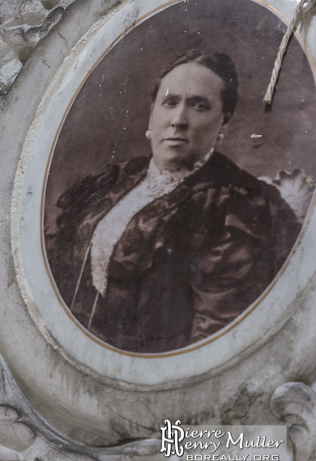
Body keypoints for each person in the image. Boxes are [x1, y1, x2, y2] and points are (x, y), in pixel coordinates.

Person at [47, 50, 301, 354]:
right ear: (152, 114)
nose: (178, 120)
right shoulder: (112, 181)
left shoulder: (236, 203)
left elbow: (214, 340)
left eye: (198, 106)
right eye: (170, 102)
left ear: (224, 122)